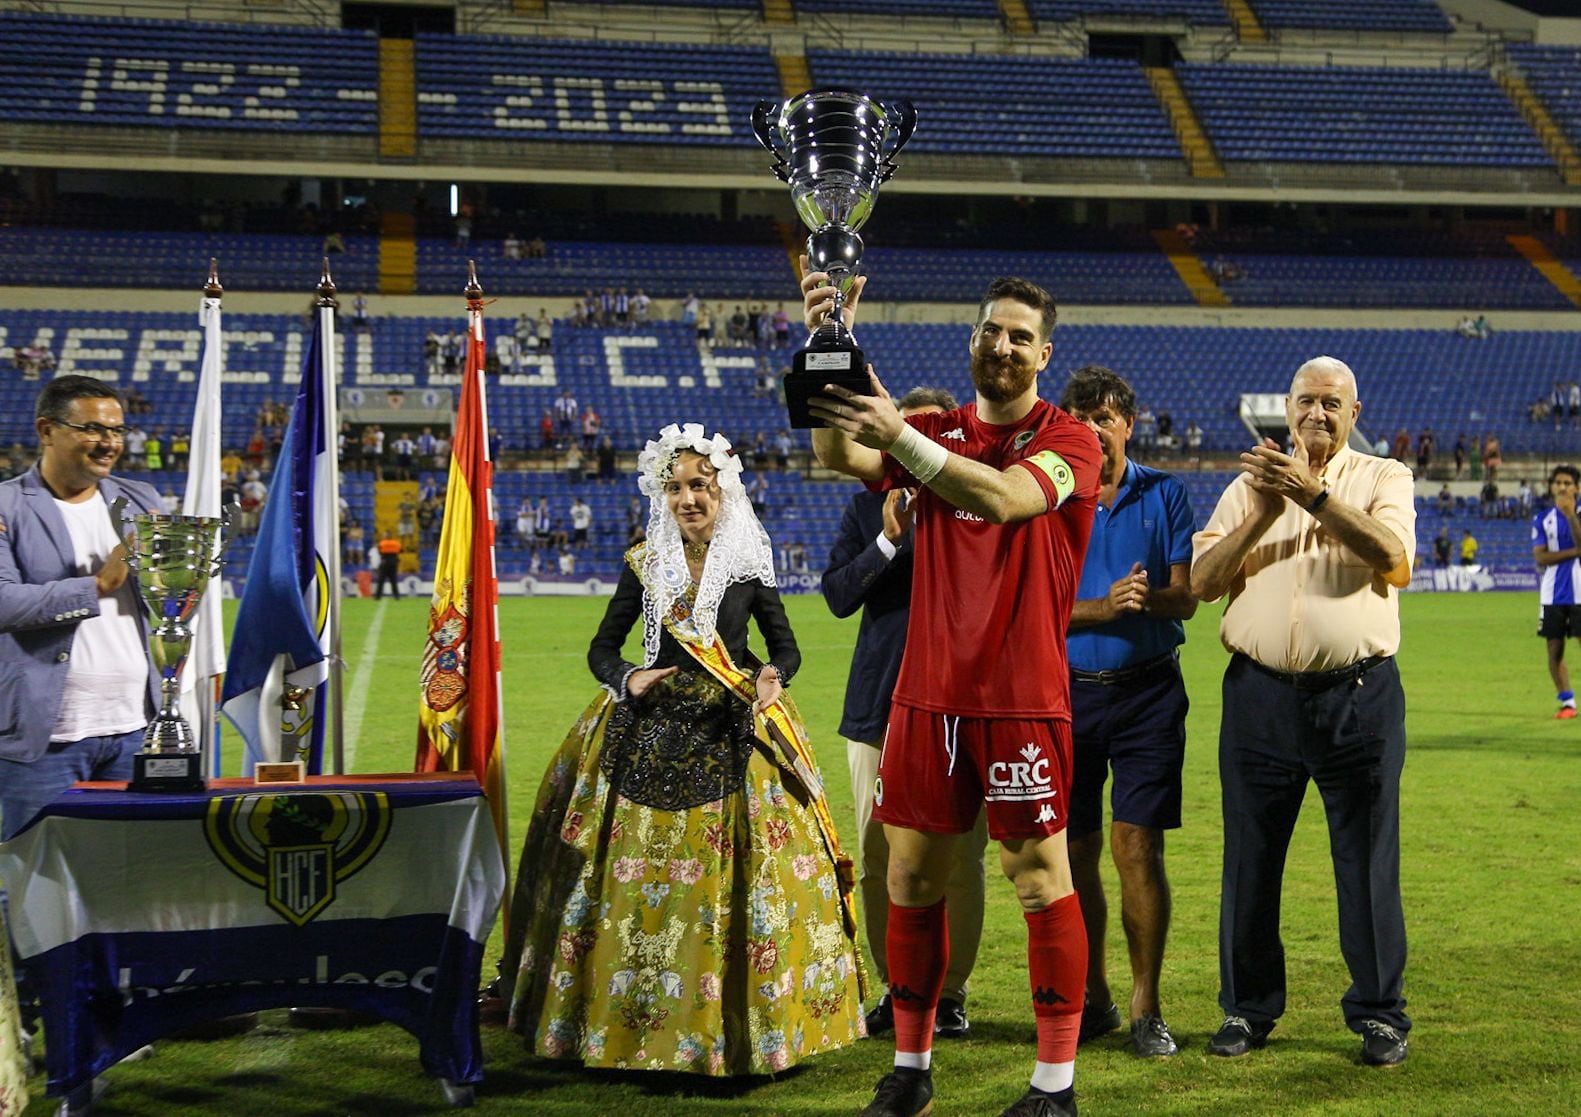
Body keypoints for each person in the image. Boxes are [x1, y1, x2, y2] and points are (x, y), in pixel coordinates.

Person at [803, 264, 1101, 1117]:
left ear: (1043, 354)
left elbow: (1006, 499)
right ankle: (909, 1066)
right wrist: (831, 342)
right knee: (908, 878)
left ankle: (1053, 1087)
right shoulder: (934, 427)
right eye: (988, 330)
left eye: (1018, 335)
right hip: (925, 698)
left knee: (1039, 879)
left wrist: (902, 437)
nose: (1000, 345)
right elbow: (834, 449)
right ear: (970, 341)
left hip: (1019, 698)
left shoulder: (1067, 439)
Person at [499, 423, 864, 1074]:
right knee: (627, 882)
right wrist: (628, 677)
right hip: (645, 726)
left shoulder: (748, 561)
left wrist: (773, 677)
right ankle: (618, 1019)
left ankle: (741, 1026)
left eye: (699, 485)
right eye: (675, 487)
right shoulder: (644, 559)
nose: (687, 498)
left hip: (732, 723)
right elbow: (602, 648)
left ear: (723, 490)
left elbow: (784, 646)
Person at [1191, 355, 1415, 1068]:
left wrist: (1313, 498)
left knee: (1365, 860)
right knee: (1249, 861)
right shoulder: (1244, 488)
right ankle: (1246, 1009)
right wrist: (1263, 510)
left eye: (1329, 403)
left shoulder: (1383, 478)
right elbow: (1200, 582)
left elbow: (1393, 557)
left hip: (1358, 698)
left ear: (1354, 414)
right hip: (1258, 695)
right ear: (1285, 411)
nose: (1315, 414)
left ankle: (1379, 1014)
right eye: (1304, 402)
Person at [821, 386, 988, 1042]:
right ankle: (899, 987)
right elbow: (835, 595)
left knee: (960, 859)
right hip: (878, 706)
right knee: (874, 854)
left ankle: (949, 992)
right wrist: (889, 542)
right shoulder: (866, 509)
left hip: (959, 706)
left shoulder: (972, 504)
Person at [1057, 365, 1197, 1060]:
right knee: (1077, 848)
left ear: (1127, 426)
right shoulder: (1050, 501)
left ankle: (1147, 1005)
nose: (1092, 431)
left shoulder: (1164, 493)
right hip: (1068, 693)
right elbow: (1034, 608)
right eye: (1079, 420)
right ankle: (1095, 997)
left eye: (1104, 420)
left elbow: (1187, 595)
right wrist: (1103, 607)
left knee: (1136, 846)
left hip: (1148, 692)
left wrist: (1147, 601)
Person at [0, 375, 162, 840]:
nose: (108, 443)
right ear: (46, 430)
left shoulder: (139, 499)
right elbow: (4, 603)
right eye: (93, 429)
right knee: (34, 876)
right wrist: (98, 585)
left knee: (122, 875)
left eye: (116, 431)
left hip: (136, 727)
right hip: (46, 737)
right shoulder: (9, 504)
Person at [1533, 465, 1581, 719]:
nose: (1562, 487)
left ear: (1577, 487)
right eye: (1558, 482)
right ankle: (1567, 702)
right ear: (1551, 486)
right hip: (1552, 594)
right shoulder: (1542, 519)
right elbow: (1541, 557)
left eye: (1567, 483)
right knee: (1555, 649)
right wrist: (1574, 553)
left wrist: (1572, 516)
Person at [374, 533, 401, 599]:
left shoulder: (382, 543)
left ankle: (377, 596)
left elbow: (379, 552)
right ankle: (396, 596)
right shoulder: (396, 543)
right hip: (393, 562)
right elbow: (399, 551)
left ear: (386, 537)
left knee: (381, 581)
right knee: (393, 581)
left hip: (385, 562)